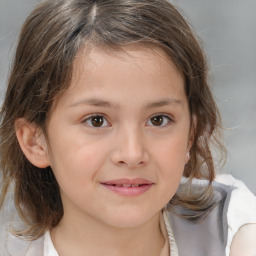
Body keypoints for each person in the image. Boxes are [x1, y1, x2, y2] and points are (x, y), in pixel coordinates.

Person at [0, 0, 255, 255]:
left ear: (190, 134)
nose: (132, 154)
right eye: (96, 120)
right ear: (36, 141)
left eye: (158, 120)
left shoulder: (234, 228)